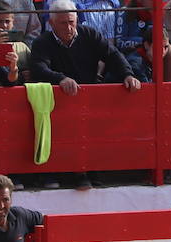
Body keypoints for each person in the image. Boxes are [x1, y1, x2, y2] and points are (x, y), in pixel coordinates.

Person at [30, 0, 142, 190]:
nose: (69, 27)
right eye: (63, 23)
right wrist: (61, 79)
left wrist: (128, 74)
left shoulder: (88, 34)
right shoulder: (43, 42)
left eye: (72, 22)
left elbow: (112, 54)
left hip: (87, 97)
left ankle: (90, 171)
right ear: (51, 23)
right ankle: (73, 174)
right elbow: (38, 68)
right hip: (58, 102)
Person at [0, 1, 32, 75]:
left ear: (13, 22)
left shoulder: (22, 47)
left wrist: (30, 73)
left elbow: (34, 67)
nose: (4, 25)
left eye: (7, 21)